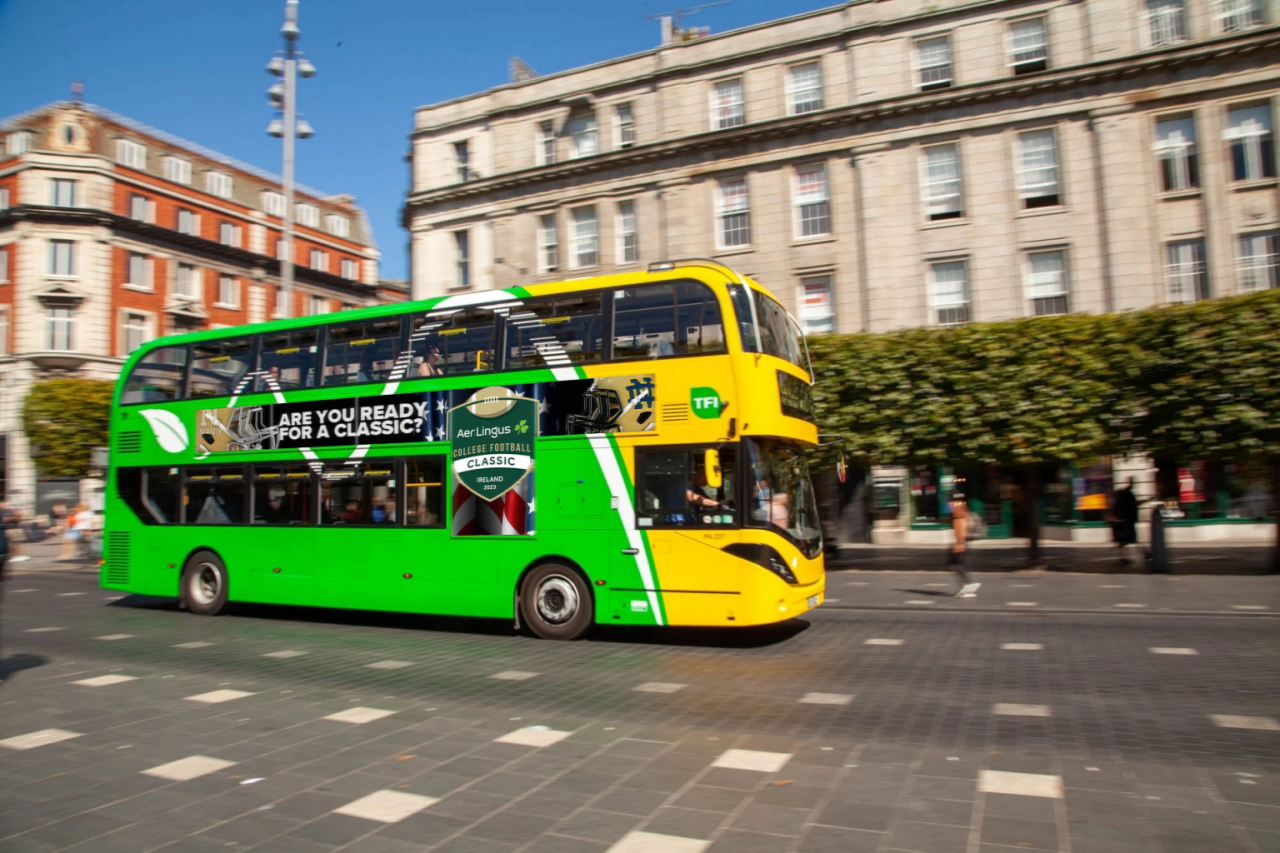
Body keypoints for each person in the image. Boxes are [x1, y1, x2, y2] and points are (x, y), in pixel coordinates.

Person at [948, 492, 980, 597]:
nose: (949, 504)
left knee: (955, 565)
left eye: (950, 502)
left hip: (961, 542)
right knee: (958, 564)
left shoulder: (958, 510)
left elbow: (961, 527)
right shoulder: (962, 508)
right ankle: (967, 585)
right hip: (961, 542)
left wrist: (959, 543)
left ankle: (968, 584)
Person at [1110, 477, 1139, 566]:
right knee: (1128, 539)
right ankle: (1123, 557)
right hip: (1127, 519)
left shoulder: (1124, 493)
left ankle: (1123, 557)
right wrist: (1148, 500)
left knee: (1126, 540)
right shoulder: (1127, 493)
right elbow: (1134, 503)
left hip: (1125, 519)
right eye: (1132, 482)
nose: (1133, 484)